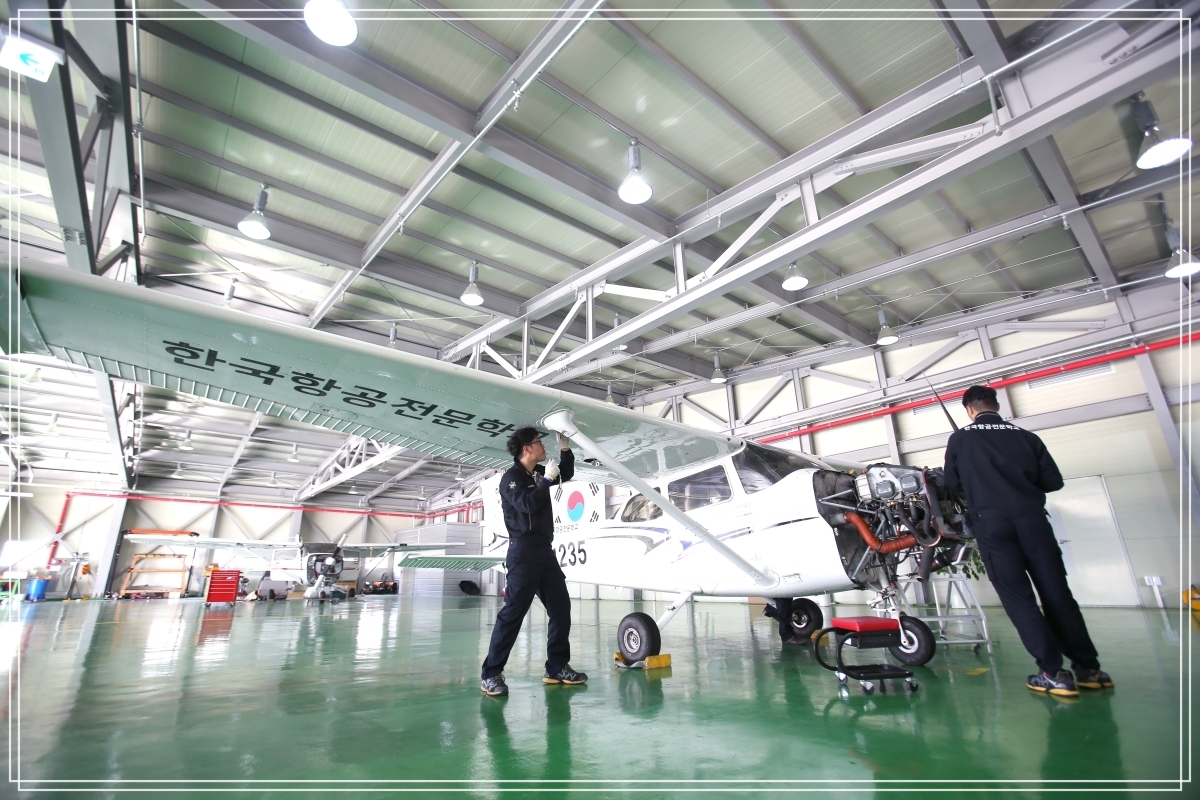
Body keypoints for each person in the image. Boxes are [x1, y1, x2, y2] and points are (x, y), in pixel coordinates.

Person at [944, 385, 1112, 698]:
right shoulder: (1027, 437)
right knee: (1057, 593)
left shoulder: (961, 439)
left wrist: (981, 484)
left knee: (1019, 598)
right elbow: (1053, 481)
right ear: (996, 405)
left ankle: (1053, 673)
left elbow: (952, 483)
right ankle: (1089, 669)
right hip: (1033, 522)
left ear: (969, 410)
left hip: (992, 525)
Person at [480, 427, 588, 696]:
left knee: (560, 608)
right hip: (523, 554)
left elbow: (566, 473)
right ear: (526, 449)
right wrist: (547, 480)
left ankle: (557, 667)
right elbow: (527, 504)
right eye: (539, 442)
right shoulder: (511, 479)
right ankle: (490, 674)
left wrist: (565, 449)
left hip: (544, 552)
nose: (543, 446)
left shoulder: (537, 473)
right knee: (513, 614)